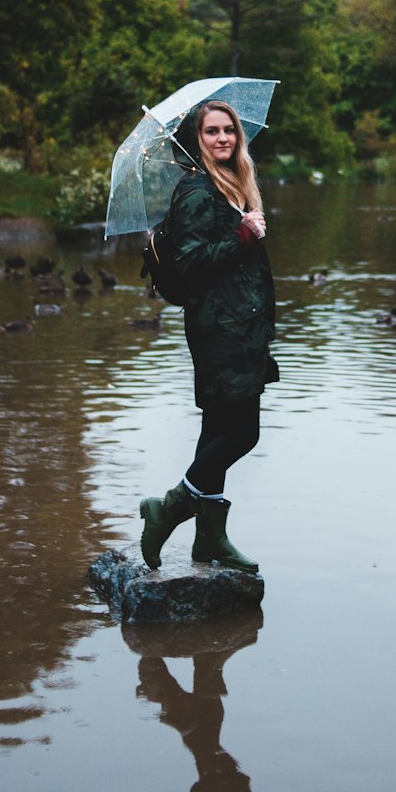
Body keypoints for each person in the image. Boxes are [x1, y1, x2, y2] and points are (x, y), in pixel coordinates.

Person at [139, 100, 278, 575]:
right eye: (212, 132)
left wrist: (244, 225)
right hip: (221, 330)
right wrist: (242, 235)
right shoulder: (197, 191)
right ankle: (169, 509)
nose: (223, 139)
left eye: (229, 131)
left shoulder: (232, 188)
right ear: (196, 140)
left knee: (216, 433)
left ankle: (209, 540)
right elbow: (190, 263)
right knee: (242, 433)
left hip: (240, 326)